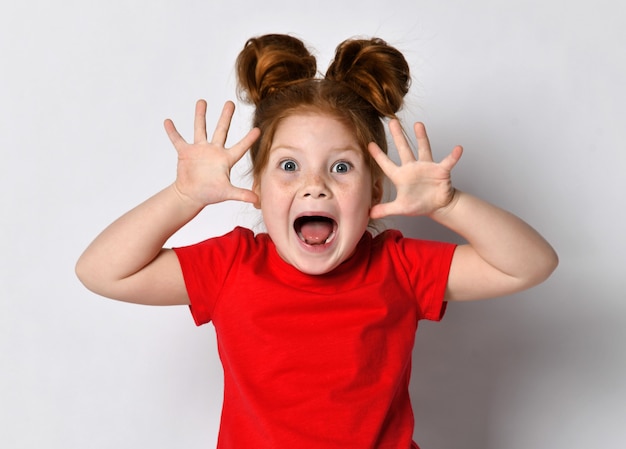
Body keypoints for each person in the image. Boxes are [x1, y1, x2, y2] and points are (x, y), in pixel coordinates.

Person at [76, 34, 558, 449]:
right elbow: (102, 271)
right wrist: (183, 196)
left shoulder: (399, 266)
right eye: (289, 166)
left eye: (341, 167)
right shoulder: (232, 265)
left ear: (374, 189)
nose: (315, 185)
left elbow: (530, 264)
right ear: (258, 187)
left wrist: (448, 205)